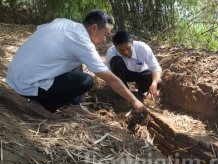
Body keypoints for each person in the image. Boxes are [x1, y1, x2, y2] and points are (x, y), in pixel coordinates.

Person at [6, 10, 145, 119]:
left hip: (14, 75)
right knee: (87, 81)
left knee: (76, 63)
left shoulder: (64, 22)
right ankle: (44, 106)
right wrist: (134, 101)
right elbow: (110, 78)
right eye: (105, 34)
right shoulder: (82, 42)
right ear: (94, 28)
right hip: (27, 86)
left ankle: (74, 104)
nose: (105, 39)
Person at [105, 30, 162, 100]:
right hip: (123, 75)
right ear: (115, 47)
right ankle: (124, 92)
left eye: (128, 48)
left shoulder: (143, 48)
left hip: (141, 73)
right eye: (121, 50)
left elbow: (155, 67)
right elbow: (107, 72)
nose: (126, 52)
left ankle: (141, 92)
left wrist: (154, 84)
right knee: (115, 61)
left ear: (132, 43)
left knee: (158, 81)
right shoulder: (111, 52)